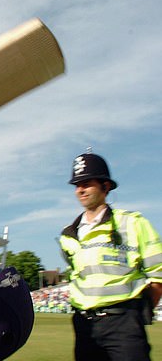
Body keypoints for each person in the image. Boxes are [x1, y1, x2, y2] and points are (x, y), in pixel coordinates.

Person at [59, 152, 162, 361]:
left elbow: (158, 278)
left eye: (87, 183)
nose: (80, 190)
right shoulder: (68, 233)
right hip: (84, 325)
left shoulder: (134, 223)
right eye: (77, 185)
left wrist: (133, 313)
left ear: (105, 187)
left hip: (124, 323)